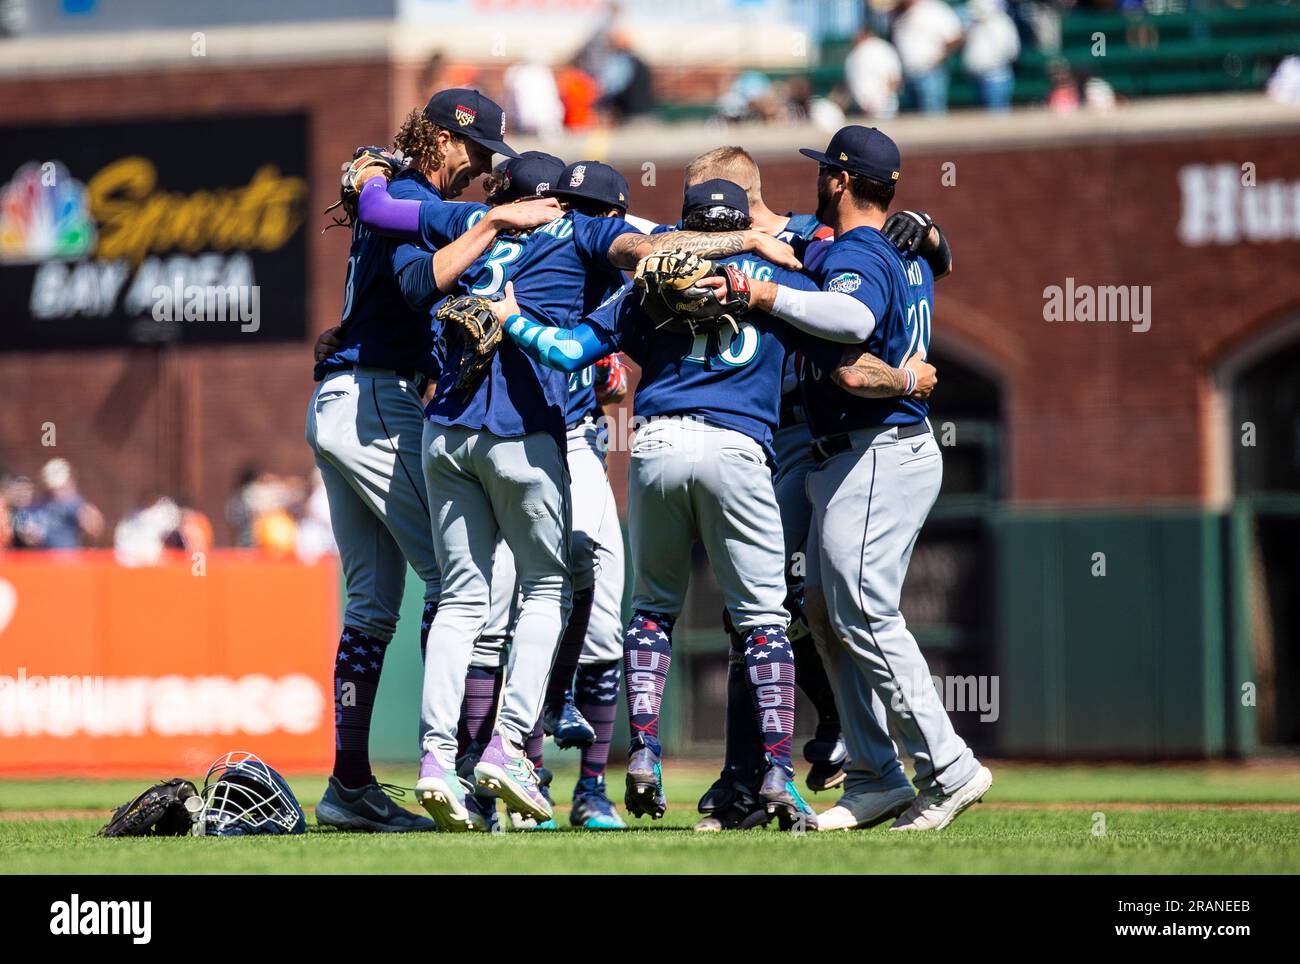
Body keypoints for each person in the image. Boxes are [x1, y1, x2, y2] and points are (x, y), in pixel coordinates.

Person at [710, 125, 992, 831]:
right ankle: (873, 775)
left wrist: (765, 295)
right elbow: (926, 257)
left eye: (822, 174)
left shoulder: (862, 249)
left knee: (862, 611)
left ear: (838, 180)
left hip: (878, 446)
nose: (816, 183)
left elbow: (855, 313)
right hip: (852, 451)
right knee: (827, 618)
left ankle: (949, 767)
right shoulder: (875, 244)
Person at [305, 88, 559, 833]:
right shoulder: (408, 188)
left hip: (345, 398)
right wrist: (492, 222)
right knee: (464, 585)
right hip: (374, 401)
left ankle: (350, 784)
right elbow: (418, 282)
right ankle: (456, 764)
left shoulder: (399, 185)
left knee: (372, 607)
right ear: (446, 141)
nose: (483, 171)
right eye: (478, 154)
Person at [891, 0, 964, 115]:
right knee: (913, 122)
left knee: (932, 117)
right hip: (908, 74)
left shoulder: (933, 8)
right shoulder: (900, 12)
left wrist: (937, 59)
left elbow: (956, 37)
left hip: (930, 73)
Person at [30, 458, 103, 549]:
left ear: (71, 482)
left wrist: (90, 523)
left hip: (69, 559)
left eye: (61, 488)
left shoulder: (77, 505)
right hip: (44, 559)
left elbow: (94, 529)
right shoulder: (41, 504)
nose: (57, 492)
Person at [962, 0, 1020, 113]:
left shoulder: (1000, 22)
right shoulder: (974, 24)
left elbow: (1010, 51)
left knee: (996, 115)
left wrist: (989, 65)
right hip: (977, 77)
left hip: (996, 77)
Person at [844, 24, 903, 119]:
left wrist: (883, 100)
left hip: (885, 106)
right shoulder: (853, 55)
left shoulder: (882, 48)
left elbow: (894, 78)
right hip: (864, 108)